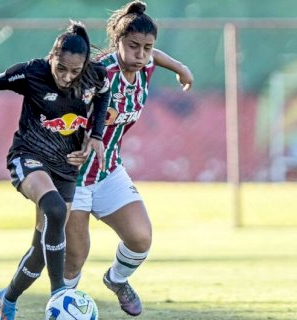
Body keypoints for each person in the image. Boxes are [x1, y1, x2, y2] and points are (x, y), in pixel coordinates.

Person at [0, 21, 111, 320]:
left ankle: (8, 297)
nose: (66, 77)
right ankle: (59, 294)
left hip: (65, 166)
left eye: (74, 72)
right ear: (51, 57)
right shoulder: (31, 72)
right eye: (60, 68)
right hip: (29, 156)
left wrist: (97, 134)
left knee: (40, 251)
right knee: (54, 208)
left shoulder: (95, 75)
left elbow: (104, 95)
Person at [62, 1, 194, 317]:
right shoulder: (97, 73)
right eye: (133, 46)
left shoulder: (145, 65)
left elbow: (155, 59)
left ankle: (117, 280)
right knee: (76, 255)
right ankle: (61, 307)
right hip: (72, 176)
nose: (141, 54)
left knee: (140, 238)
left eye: (147, 47)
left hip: (108, 172)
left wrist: (180, 67)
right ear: (117, 42)